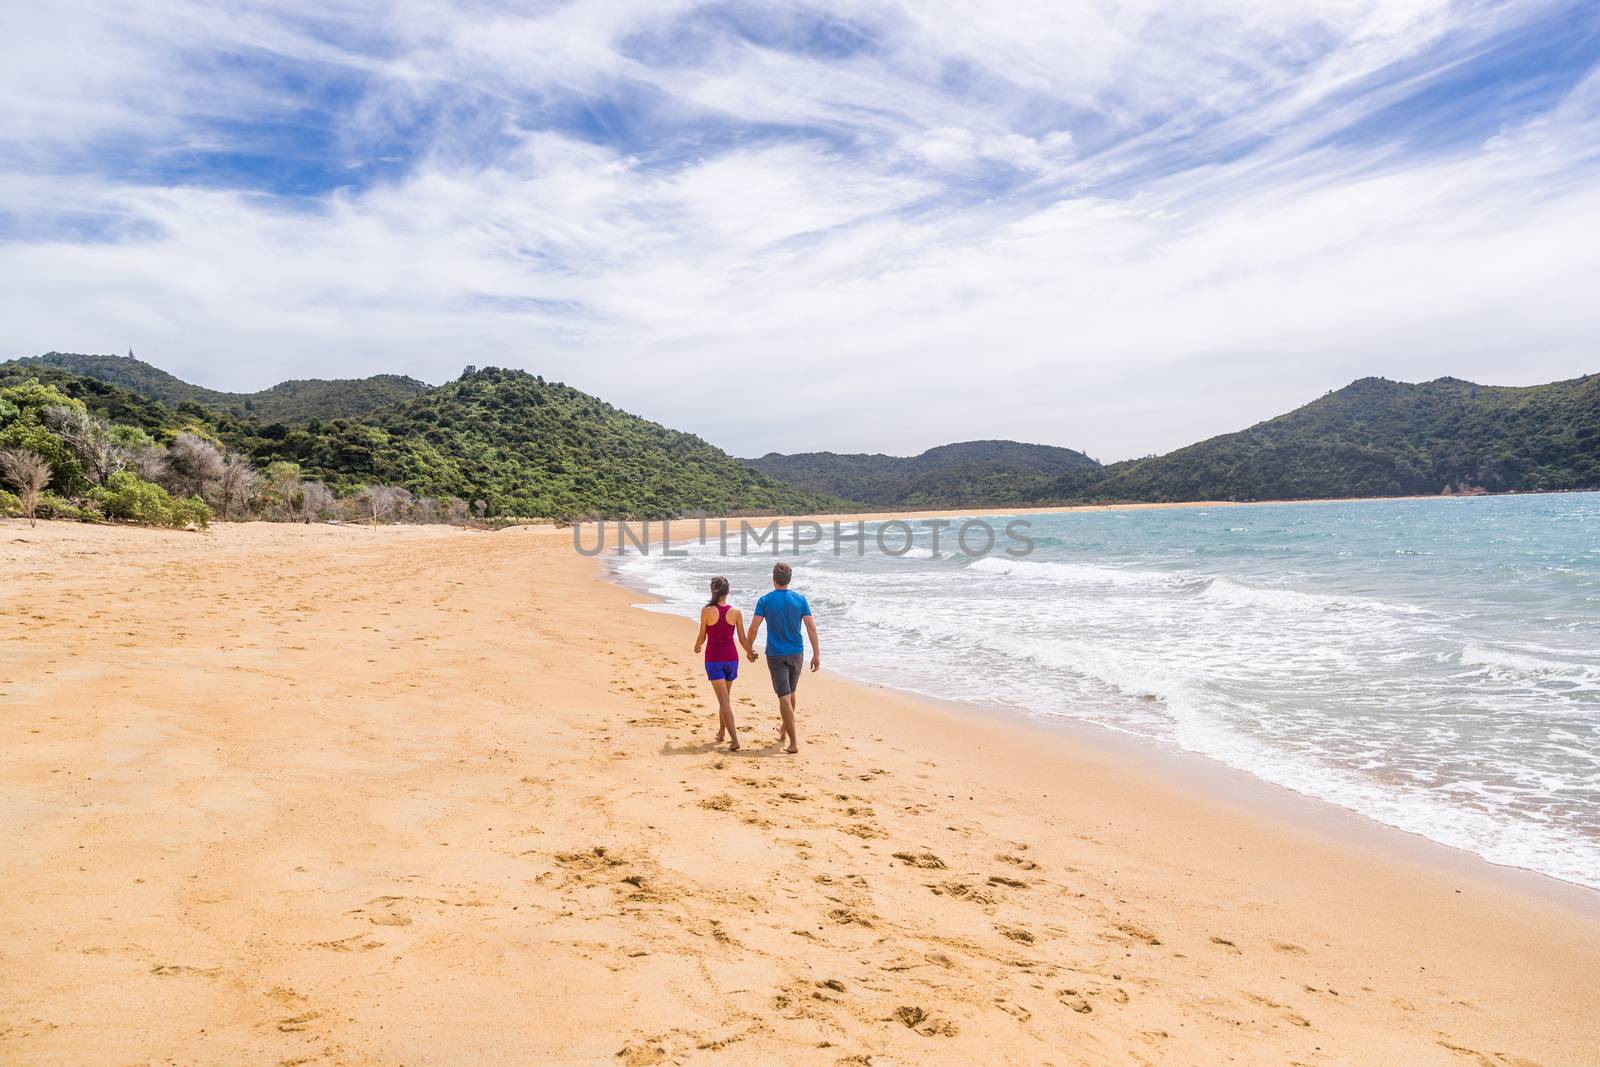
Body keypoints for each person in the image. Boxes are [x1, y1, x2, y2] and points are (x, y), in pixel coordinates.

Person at [746, 561, 820, 753]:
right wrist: (816, 653)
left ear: (773, 580)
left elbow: (754, 627)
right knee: (790, 693)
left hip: (776, 654)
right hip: (797, 653)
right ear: (790, 579)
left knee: (784, 697)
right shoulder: (800, 599)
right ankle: (784, 732)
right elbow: (811, 627)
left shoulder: (765, 600)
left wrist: (749, 648)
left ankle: (793, 743)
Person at [693, 576, 755, 751]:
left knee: (724, 701)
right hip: (732, 659)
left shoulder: (706, 611)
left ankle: (734, 740)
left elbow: (702, 636)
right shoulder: (735, 612)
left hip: (714, 660)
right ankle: (721, 732)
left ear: (713, 591)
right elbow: (742, 639)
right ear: (727, 591)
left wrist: (697, 646)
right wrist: (750, 653)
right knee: (725, 699)